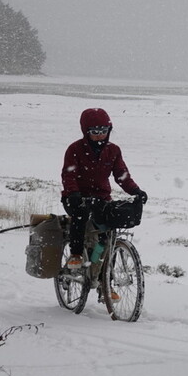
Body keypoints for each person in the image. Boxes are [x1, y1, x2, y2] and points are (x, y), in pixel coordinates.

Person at [61, 108, 148, 272]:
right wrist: (73, 193)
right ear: (86, 131)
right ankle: (76, 254)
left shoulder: (113, 150)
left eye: (104, 130)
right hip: (76, 197)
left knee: (107, 237)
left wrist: (136, 190)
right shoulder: (75, 150)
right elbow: (68, 175)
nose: (100, 135)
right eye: (95, 131)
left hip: (101, 198)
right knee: (81, 215)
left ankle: (104, 281)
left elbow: (121, 175)